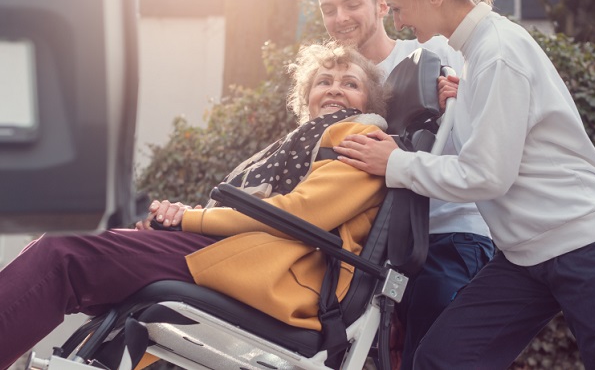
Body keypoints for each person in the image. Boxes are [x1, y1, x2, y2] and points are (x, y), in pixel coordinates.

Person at [333, 0, 595, 370]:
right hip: (526, 257)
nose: (397, 20)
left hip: (589, 245)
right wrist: (463, 96)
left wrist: (395, 163)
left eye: (397, 7)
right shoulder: (476, 57)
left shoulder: (498, 52)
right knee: (441, 358)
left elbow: (487, 176)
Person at [0, 42, 389, 369]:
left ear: (369, 101)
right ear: (306, 100)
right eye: (325, 81)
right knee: (64, 251)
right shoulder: (296, 145)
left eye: (350, 83)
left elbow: (302, 213)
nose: (335, 90)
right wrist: (180, 221)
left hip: (278, 272)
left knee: (65, 252)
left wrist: (191, 218)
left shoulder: (362, 137)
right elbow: (242, 209)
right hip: (242, 254)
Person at [317, 0, 494, 370]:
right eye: (328, 9)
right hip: (374, 251)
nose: (339, 18)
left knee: (432, 355)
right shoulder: (336, 82)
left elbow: (480, 133)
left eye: (351, 4)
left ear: (383, 5)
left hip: (445, 235)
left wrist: (461, 98)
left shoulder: (429, 51)